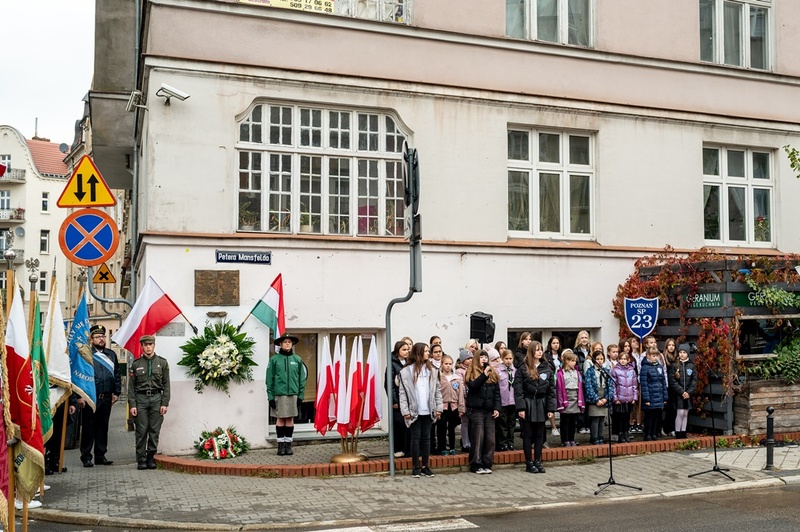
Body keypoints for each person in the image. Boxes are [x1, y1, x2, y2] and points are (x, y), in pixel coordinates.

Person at [79, 325, 121, 467]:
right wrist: (79, 396)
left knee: (103, 428)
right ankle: (86, 456)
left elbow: (116, 374)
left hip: (107, 397)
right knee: (88, 428)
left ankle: (100, 455)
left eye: (103, 336)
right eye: (98, 337)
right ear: (91, 339)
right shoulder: (86, 354)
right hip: (91, 397)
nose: (101, 339)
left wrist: (117, 392)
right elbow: (80, 377)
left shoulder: (111, 354)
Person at [398, 342, 442, 478]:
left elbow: (437, 391)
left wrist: (438, 408)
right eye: (426, 351)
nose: (428, 353)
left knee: (427, 438)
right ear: (418, 353)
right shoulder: (406, 371)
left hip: (429, 410)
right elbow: (403, 393)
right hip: (414, 411)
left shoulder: (432, 370)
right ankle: (416, 466)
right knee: (415, 438)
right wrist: (405, 410)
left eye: (429, 351)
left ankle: (425, 466)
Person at [128, 335, 171, 470]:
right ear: (142, 346)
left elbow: (166, 384)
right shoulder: (136, 364)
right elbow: (131, 387)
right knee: (141, 430)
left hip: (156, 399)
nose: (148, 347)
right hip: (140, 400)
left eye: (150, 345)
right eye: (145, 345)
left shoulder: (162, 363)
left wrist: (165, 403)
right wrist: (133, 405)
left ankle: (151, 456)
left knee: (154, 429)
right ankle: (141, 459)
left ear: (154, 345)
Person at [516, 341, 556, 473]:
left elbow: (551, 390)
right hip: (528, 403)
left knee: (540, 434)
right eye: (537, 350)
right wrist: (521, 407)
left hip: (541, 403)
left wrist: (550, 409)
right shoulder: (523, 368)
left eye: (541, 350)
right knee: (528, 434)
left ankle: (538, 461)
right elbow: (518, 390)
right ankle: (529, 462)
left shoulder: (547, 368)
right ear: (531, 351)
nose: (540, 352)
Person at [266, 333, 308, 456]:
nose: (287, 344)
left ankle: (288, 445)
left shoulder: (297, 359)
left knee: (290, 419)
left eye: (289, 342)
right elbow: (269, 380)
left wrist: (300, 395)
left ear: (292, 344)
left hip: (293, 394)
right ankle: (280, 445)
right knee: (280, 419)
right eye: (285, 342)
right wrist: (270, 397)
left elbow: (302, 379)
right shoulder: (274, 360)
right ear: (280, 344)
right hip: (279, 394)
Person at [465, 350, 501, 474]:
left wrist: (497, 408)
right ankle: (476, 463)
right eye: (481, 357)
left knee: (490, 439)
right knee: (477, 437)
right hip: (476, 410)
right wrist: (484, 375)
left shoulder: (493, 373)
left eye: (486, 357)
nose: (484, 359)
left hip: (489, 410)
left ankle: (487, 463)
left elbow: (497, 393)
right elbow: (473, 386)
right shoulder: (471, 372)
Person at [584, 349, 614, 445]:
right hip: (595, 398)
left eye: (601, 359)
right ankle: (594, 437)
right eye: (598, 359)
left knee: (602, 419)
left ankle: (601, 436)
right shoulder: (590, 371)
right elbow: (588, 386)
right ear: (594, 360)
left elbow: (610, 385)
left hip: (604, 397)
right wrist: (596, 399)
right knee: (595, 419)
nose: (600, 361)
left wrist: (606, 398)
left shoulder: (606, 371)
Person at [555, 349, 584, 447]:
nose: (574, 363)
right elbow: (559, 387)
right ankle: (565, 439)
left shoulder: (577, 373)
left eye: (575, 361)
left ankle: (572, 439)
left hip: (575, 397)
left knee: (573, 421)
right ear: (567, 361)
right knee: (565, 421)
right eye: (572, 361)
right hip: (566, 397)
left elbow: (579, 386)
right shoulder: (560, 373)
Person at [640, 347, 668, 441]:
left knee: (656, 416)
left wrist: (665, 397)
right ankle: (647, 434)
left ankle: (654, 433)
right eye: (653, 355)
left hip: (658, 396)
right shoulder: (645, 367)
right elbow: (644, 384)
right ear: (648, 356)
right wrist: (646, 399)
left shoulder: (659, 367)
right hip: (650, 396)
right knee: (649, 417)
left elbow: (663, 382)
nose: (655, 357)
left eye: (656, 356)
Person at [669, 347, 697, 439]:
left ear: (688, 354)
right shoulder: (675, 365)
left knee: (685, 413)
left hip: (688, 394)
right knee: (680, 412)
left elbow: (694, 380)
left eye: (684, 352)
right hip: (678, 394)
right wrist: (682, 392)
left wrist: (688, 392)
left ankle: (683, 431)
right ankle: (678, 432)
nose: (682, 354)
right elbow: (672, 381)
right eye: (680, 352)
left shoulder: (691, 366)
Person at [390, 340, 411, 457]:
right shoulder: (392, 364)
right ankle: (398, 449)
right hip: (398, 399)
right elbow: (389, 384)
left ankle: (407, 449)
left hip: (409, 399)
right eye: (404, 349)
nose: (407, 352)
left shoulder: (409, 363)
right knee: (399, 424)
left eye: (408, 349)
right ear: (398, 351)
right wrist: (394, 400)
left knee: (408, 424)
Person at [437, 354, 462, 455]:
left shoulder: (457, 378)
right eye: (446, 364)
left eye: (450, 364)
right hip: (442, 406)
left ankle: (452, 447)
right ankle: (442, 447)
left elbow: (460, 393)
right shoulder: (438, 377)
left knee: (451, 428)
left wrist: (461, 408)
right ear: (442, 364)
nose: (448, 366)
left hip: (454, 406)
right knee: (441, 427)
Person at [611, 351, 637, 443]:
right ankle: (620, 434)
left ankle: (626, 433)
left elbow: (634, 384)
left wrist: (634, 397)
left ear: (628, 360)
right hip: (619, 398)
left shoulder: (631, 370)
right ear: (618, 360)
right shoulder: (615, 370)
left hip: (629, 398)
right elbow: (613, 386)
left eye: (625, 359)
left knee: (626, 417)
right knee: (620, 418)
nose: (623, 361)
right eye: (621, 359)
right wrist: (615, 398)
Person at [495, 349, 517, 451]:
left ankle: (510, 442)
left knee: (511, 424)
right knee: (502, 424)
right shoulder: (498, 371)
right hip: (503, 402)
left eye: (510, 359)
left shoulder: (515, 371)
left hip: (512, 402)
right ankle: (502, 443)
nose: (508, 361)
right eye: (506, 358)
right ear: (502, 358)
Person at [544, 336, 562, 436]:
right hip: (552, 382)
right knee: (552, 404)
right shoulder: (546, 356)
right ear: (550, 344)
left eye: (557, 343)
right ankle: (554, 427)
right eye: (554, 343)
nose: (556, 345)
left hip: (561, 382)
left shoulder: (561, 355)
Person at [574, 331, 591, 434]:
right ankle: (580, 425)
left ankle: (587, 425)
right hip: (580, 380)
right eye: (582, 338)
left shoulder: (590, 351)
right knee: (581, 403)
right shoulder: (575, 351)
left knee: (589, 403)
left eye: (586, 337)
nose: (584, 339)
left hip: (589, 380)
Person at [456, 349, 472, 452]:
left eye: (471, 358)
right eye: (468, 358)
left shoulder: (473, 369)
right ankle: (465, 443)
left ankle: (471, 441)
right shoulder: (459, 371)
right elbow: (461, 385)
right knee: (465, 422)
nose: (470, 360)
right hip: (464, 399)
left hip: (472, 399)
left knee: (472, 422)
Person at [662, 338, 678, 437]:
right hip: (667, 386)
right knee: (668, 408)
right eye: (669, 345)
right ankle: (665, 428)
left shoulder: (677, 359)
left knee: (674, 409)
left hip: (675, 387)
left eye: (673, 345)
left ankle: (672, 428)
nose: (671, 347)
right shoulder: (663, 358)